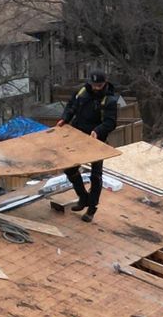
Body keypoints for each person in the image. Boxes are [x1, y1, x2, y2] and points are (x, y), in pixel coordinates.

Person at [50, 69, 119, 221]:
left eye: (99, 86)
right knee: (70, 169)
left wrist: (97, 130)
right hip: (78, 136)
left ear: (104, 84)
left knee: (96, 175)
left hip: (96, 140)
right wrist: (64, 119)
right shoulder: (82, 92)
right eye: (94, 85)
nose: (96, 88)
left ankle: (92, 208)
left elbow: (110, 122)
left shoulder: (109, 101)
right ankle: (83, 197)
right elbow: (71, 107)